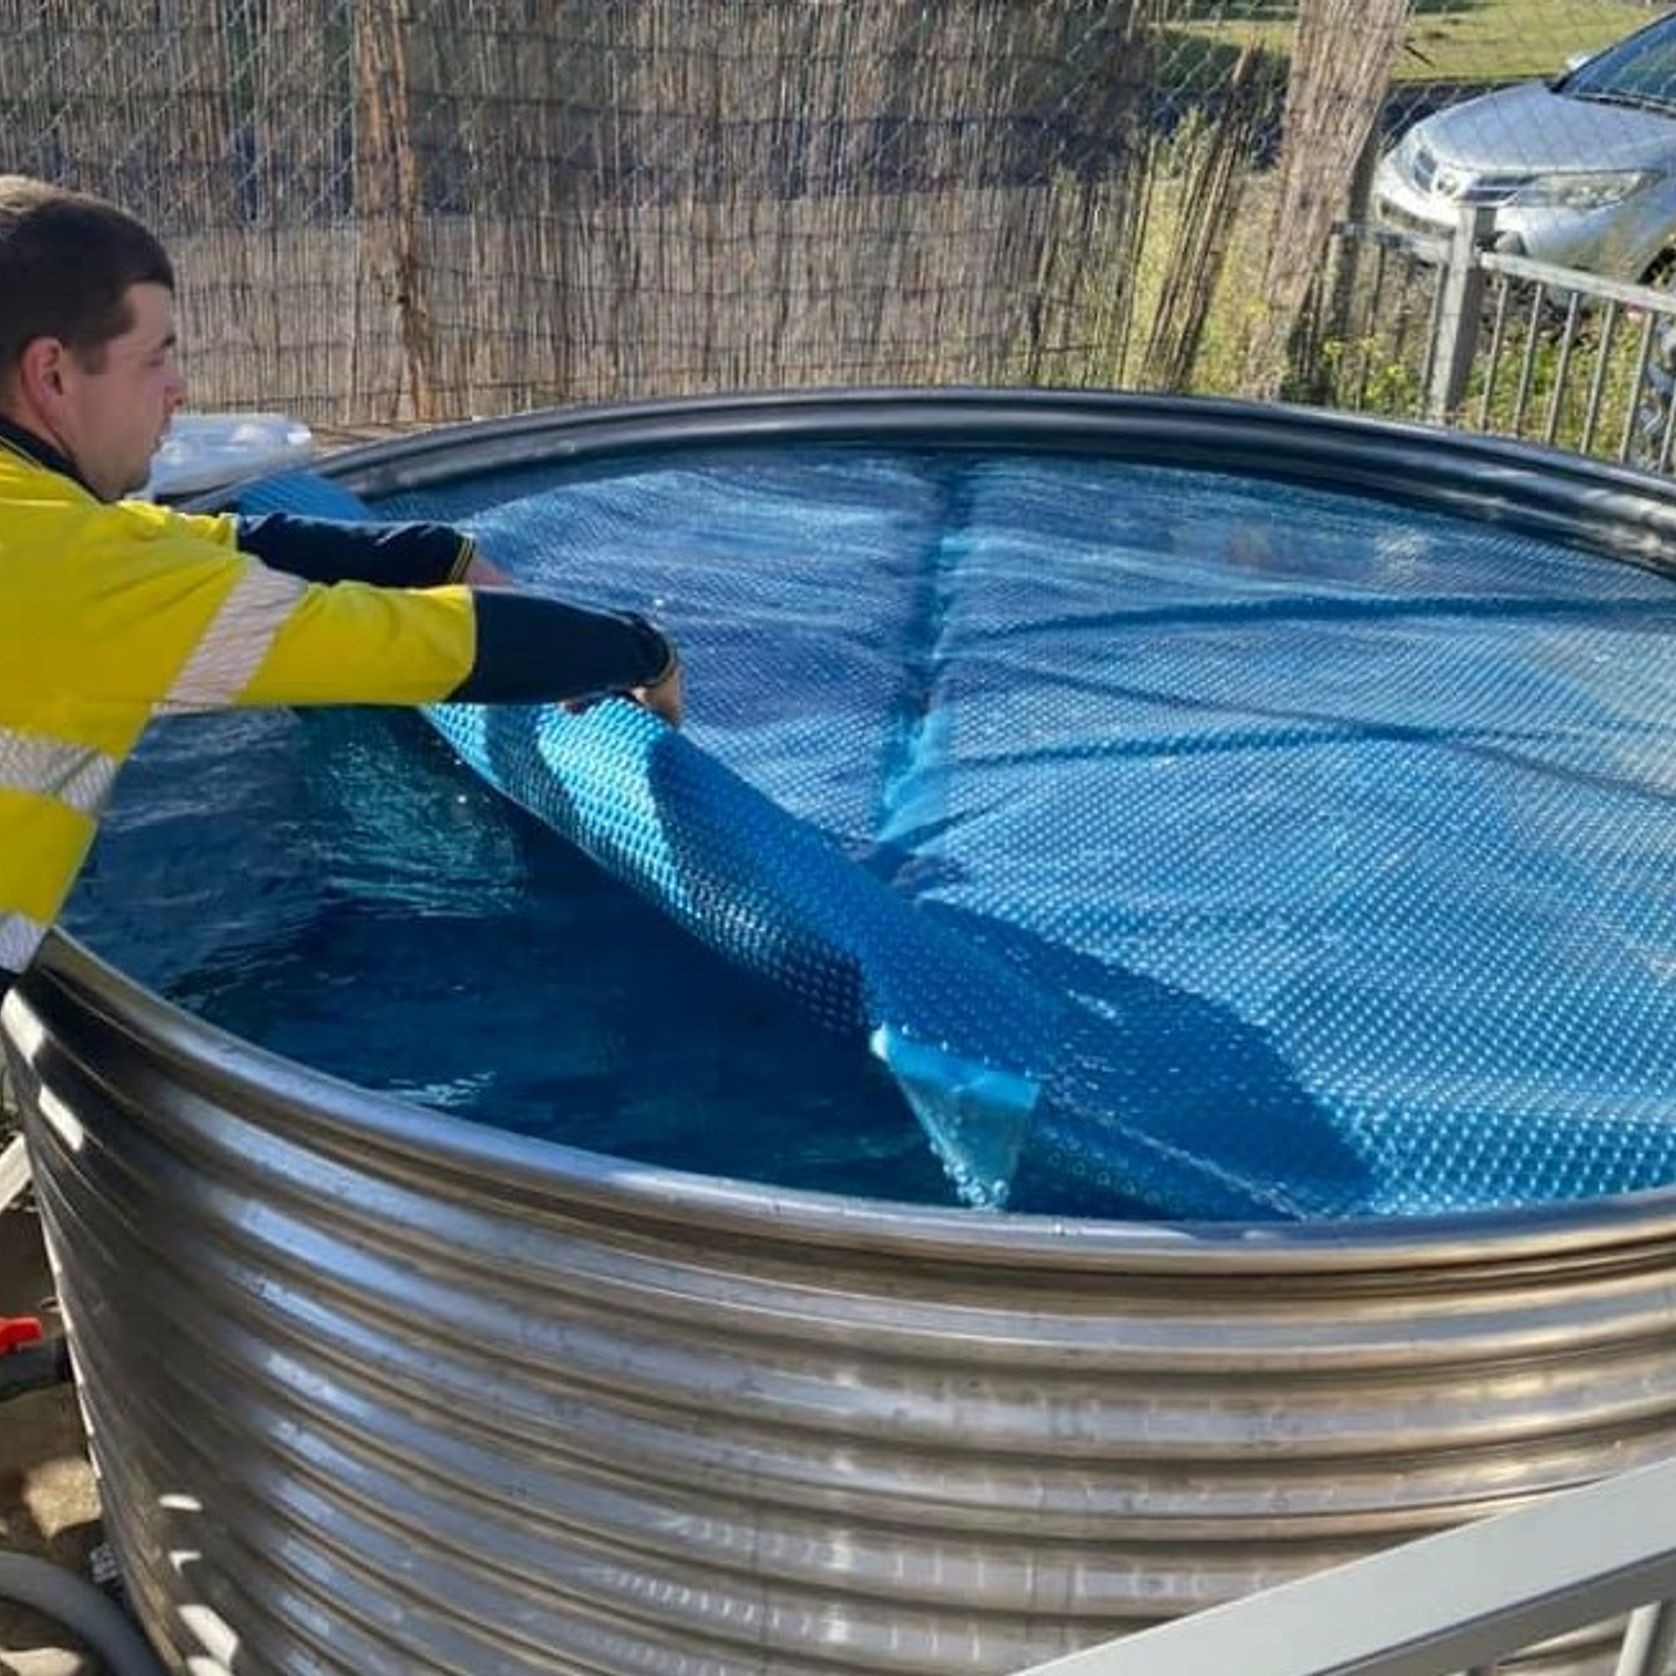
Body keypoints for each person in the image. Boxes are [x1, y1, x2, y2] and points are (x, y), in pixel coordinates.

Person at [0, 175, 683, 996]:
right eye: (156, 358)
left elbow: (219, 542)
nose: (178, 390)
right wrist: (637, 650)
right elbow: (406, 647)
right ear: (53, 376)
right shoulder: (80, 577)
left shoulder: (38, 528)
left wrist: (433, 552)